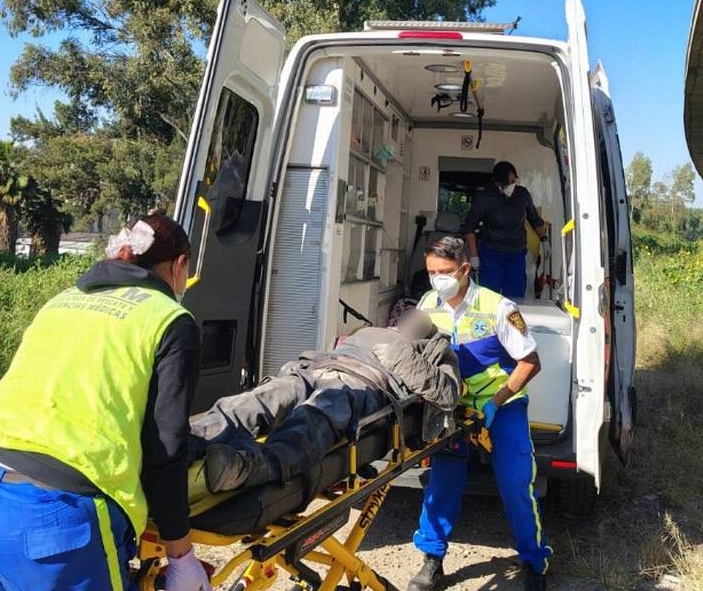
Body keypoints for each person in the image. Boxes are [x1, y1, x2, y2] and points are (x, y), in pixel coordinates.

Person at [0, 214, 211, 591]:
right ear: (180, 265)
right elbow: (165, 448)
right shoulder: (169, 319)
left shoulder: (63, 300)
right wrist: (181, 556)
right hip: (54, 521)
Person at [408, 236, 552, 591]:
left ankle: (534, 562)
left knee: (516, 484)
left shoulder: (498, 308)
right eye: (431, 272)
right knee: (442, 484)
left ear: (464, 270)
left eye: (444, 272)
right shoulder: (428, 304)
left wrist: (496, 401)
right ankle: (432, 560)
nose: (437, 279)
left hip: (500, 408)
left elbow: (530, 363)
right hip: (452, 410)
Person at [192, 310, 460, 493]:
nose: (414, 317)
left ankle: (249, 466)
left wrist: (406, 361)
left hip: (362, 385)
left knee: (316, 413)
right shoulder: (370, 331)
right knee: (262, 398)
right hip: (315, 367)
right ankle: (191, 439)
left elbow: (448, 394)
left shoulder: (436, 350)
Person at [462, 161, 548, 298]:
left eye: (514, 181)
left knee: (515, 295)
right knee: (489, 296)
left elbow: (534, 219)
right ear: (497, 183)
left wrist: (544, 238)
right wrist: (474, 255)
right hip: (491, 253)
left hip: (516, 254)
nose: (512, 185)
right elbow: (469, 227)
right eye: (508, 182)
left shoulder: (522, 195)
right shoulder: (484, 198)